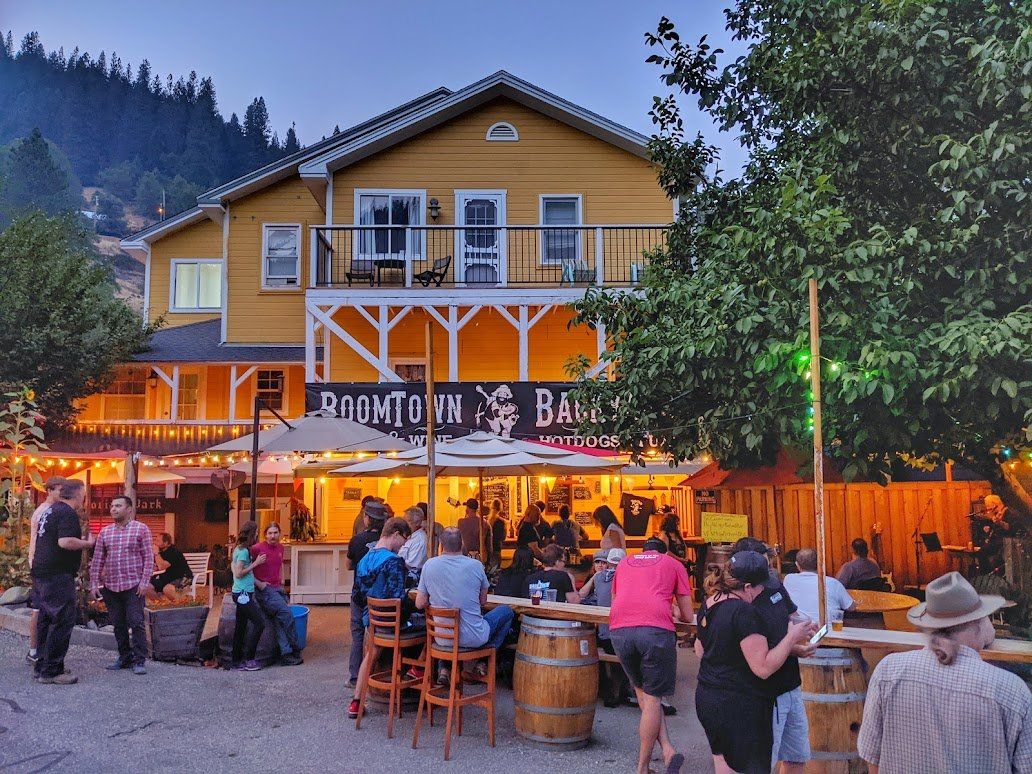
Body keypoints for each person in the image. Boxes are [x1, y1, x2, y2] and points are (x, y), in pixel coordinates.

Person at [858, 571, 1031, 774]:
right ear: (979, 623)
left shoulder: (887, 671)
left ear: (929, 625)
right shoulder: (1011, 691)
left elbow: (872, 758)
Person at [695, 551, 810, 774]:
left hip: (708, 696)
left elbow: (701, 650)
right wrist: (791, 638)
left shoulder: (711, 601)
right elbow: (763, 668)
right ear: (747, 586)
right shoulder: (743, 611)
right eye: (759, 586)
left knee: (726, 764)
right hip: (736, 701)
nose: (762, 590)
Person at [609, 535, 694, 774]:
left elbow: (615, 601)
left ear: (643, 550)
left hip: (619, 630)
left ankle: (667, 749)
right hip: (655, 630)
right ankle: (642, 768)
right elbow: (688, 616)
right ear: (664, 553)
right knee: (654, 699)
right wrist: (673, 607)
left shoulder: (625, 563)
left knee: (646, 699)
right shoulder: (673, 564)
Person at [731, 537, 815, 774]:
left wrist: (806, 625)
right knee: (762, 763)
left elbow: (792, 613)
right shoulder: (739, 604)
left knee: (796, 756)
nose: (769, 573)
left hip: (791, 685)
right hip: (764, 695)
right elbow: (758, 661)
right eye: (764, 568)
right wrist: (793, 645)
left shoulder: (774, 584)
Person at [416, 527, 514, 683]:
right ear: (462, 543)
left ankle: (444, 668)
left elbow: (420, 603)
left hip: (442, 640)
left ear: (441, 544)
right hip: (474, 638)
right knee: (507, 611)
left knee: (449, 626)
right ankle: (482, 662)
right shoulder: (475, 566)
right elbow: (483, 601)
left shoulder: (429, 565)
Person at [348, 516, 417, 719]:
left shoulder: (364, 560)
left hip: (373, 624)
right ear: (395, 534)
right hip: (392, 626)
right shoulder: (393, 562)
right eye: (404, 539)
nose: (404, 545)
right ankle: (416, 675)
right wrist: (417, 604)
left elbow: (358, 596)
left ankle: (356, 701)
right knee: (429, 629)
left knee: (372, 653)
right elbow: (398, 600)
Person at [31, 478, 95, 685]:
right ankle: (52, 671)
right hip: (57, 574)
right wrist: (87, 543)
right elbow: (65, 541)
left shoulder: (50, 510)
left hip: (42, 572)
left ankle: (42, 665)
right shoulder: (67, 512)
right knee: (62, 619)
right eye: (84, 494)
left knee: (46, 620)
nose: (84, 498)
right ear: (77, 494)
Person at [90, 495, 154, 675]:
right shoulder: (105, 532)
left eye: (118, 506)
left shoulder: (141, 529)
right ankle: (124, 657)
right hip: (111, 586)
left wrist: (144, 582)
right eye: (111, 506)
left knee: (136, 622)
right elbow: (98, 559)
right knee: (118, 624)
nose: (113, 509)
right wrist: (94, 583)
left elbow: (149, 558)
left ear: (129, 509)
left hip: (133, 585)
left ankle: (139, 660)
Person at [346, 500, 388, 687]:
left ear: (367, 519)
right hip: (380, 595)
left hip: (359, 593)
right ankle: (376, 673)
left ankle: (355, 676)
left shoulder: (356, 540)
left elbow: (348, 565)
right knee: (378, 633)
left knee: (357, 634)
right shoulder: (386, 541)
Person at [580, 548, 630, 707]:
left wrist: (596, 577)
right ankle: (618, 690)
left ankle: (611, 690)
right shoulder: (627, 577)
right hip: (619, 631)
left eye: (604, 563)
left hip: (606, 631)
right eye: (598, 562)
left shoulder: (602, 577)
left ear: (608, 563)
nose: (602, 566)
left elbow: (580, 596)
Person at [251, 523, 303, 667]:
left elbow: (279, 565)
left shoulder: (280, 547)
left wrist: (283, 583)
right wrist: (258, 583)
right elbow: (244, 568)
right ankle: (295, 648)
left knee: (278, 620)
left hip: (277, 588)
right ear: (265, 535)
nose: (272, 536)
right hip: (264, 590)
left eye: (275, 533)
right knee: (287, 615)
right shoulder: (256, 549)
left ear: (280, 534)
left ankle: (286, 653)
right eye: (269, 533)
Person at [26, 476, 65, 666]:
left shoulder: (48, 510)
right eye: (59, 490)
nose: (62, 494)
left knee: (41, 608)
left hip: (40, 564)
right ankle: (35, 651)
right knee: (39, 609)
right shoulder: (45, 512)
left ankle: (37, 651)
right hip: (41, 566)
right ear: (49, 491)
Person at [783, 547, 855, 624]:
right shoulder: (833, 583)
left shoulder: (788, 579)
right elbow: (851, 607)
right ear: (819, 563)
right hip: (827, 632)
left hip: (800, 631)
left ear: (797, 565)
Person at [230, 520, 266, 671]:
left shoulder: (238, 549)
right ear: (252, 534)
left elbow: (233, 568)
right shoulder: (244, 552)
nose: (257, 534)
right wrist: (255, 564)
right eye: (256, 532)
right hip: (242, 593)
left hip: (240, 592)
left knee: (241, 627)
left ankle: (236, 660)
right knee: (259, 622)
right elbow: (238, 573)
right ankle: (249, 658)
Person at [973, 494, 1012, 576]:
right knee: (981, 549)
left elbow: (1010, 528)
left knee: (982, 552)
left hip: (1005, 542)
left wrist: (997, 521)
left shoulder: (1008, 512)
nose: (987, 508)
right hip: (997, 541)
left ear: (994, 505)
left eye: (988, 506)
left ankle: (987, 575)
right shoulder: (997, 514)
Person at [149, 532, 193, 602]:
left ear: (166, 543)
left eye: (158, 541)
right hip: (167, 579)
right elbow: (156, 567)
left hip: (183, 578)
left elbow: (161, 566)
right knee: (147, 586)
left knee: (167, 589)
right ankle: (160, 605)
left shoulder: (174, 552)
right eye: (155, 540)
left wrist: (156, 553)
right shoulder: (161, 552)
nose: (155, 543)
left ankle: (181, 606)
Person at [397, 505, 429, 578]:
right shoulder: (409, 536)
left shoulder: (420, 540)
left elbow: (412, 565)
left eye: (407, 521)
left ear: (417, 523)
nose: (404, 524)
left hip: (410, 578)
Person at [488, 498, 508, 565]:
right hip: (497, 548)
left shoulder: (486, 520)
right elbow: (503, 537)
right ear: (500, 508)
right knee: (496, 571)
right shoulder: (502, 522)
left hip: (487, 549)